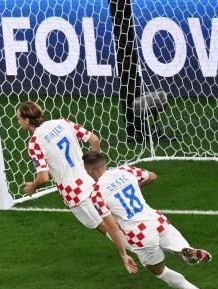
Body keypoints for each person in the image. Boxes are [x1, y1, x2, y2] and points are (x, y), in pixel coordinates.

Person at [15, 102, 138, 275]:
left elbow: (43, 178)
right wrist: (94, 166)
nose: (18, 122)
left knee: (105, 227)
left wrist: (32, 186)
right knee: (118, 216)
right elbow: (94, 139)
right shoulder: (63, 122)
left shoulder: (35, 143)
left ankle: (143, 250)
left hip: (74, 193)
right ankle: (150, 236)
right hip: (91, 179)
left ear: (27, 121)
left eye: (19, 118)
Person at [83, 151, 211, 289]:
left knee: (158, 270)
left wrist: (123, 255)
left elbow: (112, 227)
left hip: (139, 233)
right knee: (179, 249)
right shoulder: (125, 170)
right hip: (156, 219)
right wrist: (135, 186)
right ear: (104, 163)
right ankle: (189, 254)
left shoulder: (96, 194)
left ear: (89, 170)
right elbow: (152, 177)